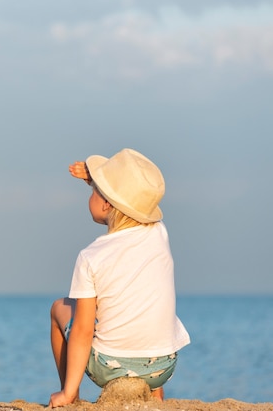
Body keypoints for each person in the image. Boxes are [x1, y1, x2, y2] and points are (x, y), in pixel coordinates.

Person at [48, 148, 190, 408]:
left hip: (109, 367)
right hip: (163, 367)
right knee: (140, 303)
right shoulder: (159, 233)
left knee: (60, 308)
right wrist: (96, 180)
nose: (91, 194)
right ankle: (155, 394)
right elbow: (134, 200)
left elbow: (82, 330)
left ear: (106, 203)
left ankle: (71, 395)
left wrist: (67, 393)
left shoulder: (91, 256)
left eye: (94, 191)